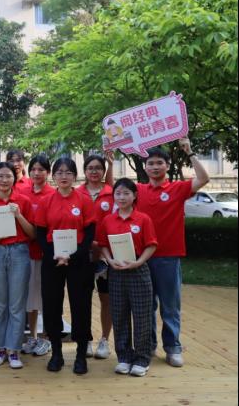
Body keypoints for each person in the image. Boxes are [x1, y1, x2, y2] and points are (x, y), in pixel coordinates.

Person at [135, 138, 209, 367]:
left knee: (170, 306)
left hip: (168, 257)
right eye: (150, 163)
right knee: (146, 306)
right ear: (145, 167)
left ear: (167, 166)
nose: (155, 167)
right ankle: (148, 346)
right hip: (142, 258)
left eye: (159, 163)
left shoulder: (177, 188)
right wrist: (108, 161)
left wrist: (189, 152)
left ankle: (173, 347)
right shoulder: (138, 190)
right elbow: (112, 191)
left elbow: (204, 179)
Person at [35, 157, 96, 375]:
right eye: (59, 172)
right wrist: (54, 255)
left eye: (68, 172)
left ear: (75, 176)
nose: (63, 176)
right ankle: (57, 353)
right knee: (52, 306)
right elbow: (40, 232)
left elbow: (89, 232)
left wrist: (74, 255)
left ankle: (80, 354)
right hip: (53, 259)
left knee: (81, 306)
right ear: (53, 176)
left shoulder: (84, 200)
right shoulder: (46, 201)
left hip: (78, 260)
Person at [97, 178, 157, 377]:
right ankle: (124, 357)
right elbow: (103, 244)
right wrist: (109, 260)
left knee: (142, 316)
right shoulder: (108, 220)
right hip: (116, 272)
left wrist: (139, 262)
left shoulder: (143, 219)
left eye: (126, 193)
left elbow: (151, 245)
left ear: (134, 195)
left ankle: (142, 359)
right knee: (119, 315)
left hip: (138, 271)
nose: (121, 197)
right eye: (118, 193)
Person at [0, 162, 35, 369]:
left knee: (16, 305)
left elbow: (33, 233)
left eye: (8, 176)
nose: (4, 180)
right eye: (0, 176)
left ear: (14, 178)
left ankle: (14, 349)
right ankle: (1, 347)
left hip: (19, 252)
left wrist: (18, 215)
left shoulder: (23, 201)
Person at [75, 153, 115, 359]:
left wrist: (111, 163)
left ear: (103, 171)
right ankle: (86, 339)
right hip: (83, 254)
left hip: (106, 255)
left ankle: (105, 340)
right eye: (90, 168)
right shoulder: (76, 193)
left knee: (106, 298)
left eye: (98, 168)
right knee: (83, 299)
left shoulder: (112, 193)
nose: (94, 171)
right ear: (84, 171)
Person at [16, 154, 55, 358]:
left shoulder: (53, 194)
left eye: (41, 169)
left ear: (48, 172)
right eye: (33, 169)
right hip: (26, 252)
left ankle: (46, 337)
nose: (37, 173)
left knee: (47, 297)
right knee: (30, 298)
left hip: (47, 254)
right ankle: (32, 336)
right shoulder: (22, 193)